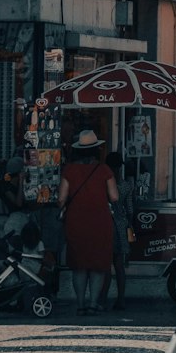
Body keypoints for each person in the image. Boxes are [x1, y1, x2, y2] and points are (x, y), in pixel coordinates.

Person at [57, 128, 118, 315]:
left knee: (79, 265)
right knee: (98, 266)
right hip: (100, 222)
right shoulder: (104, 170)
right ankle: (93, 304)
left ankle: (80, 304)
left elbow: (61, 199)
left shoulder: (69, 170)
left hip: (76, 223)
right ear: (96, 149)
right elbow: (114, 197)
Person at [106, 152, 135, 311]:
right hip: (121, 224)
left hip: (106, 224)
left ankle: (101, 298)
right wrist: (129, 226)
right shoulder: (125, 186)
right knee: (119, 265)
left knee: (105, 265)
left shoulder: (104, 185)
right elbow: (130, 209)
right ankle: (121, 298)